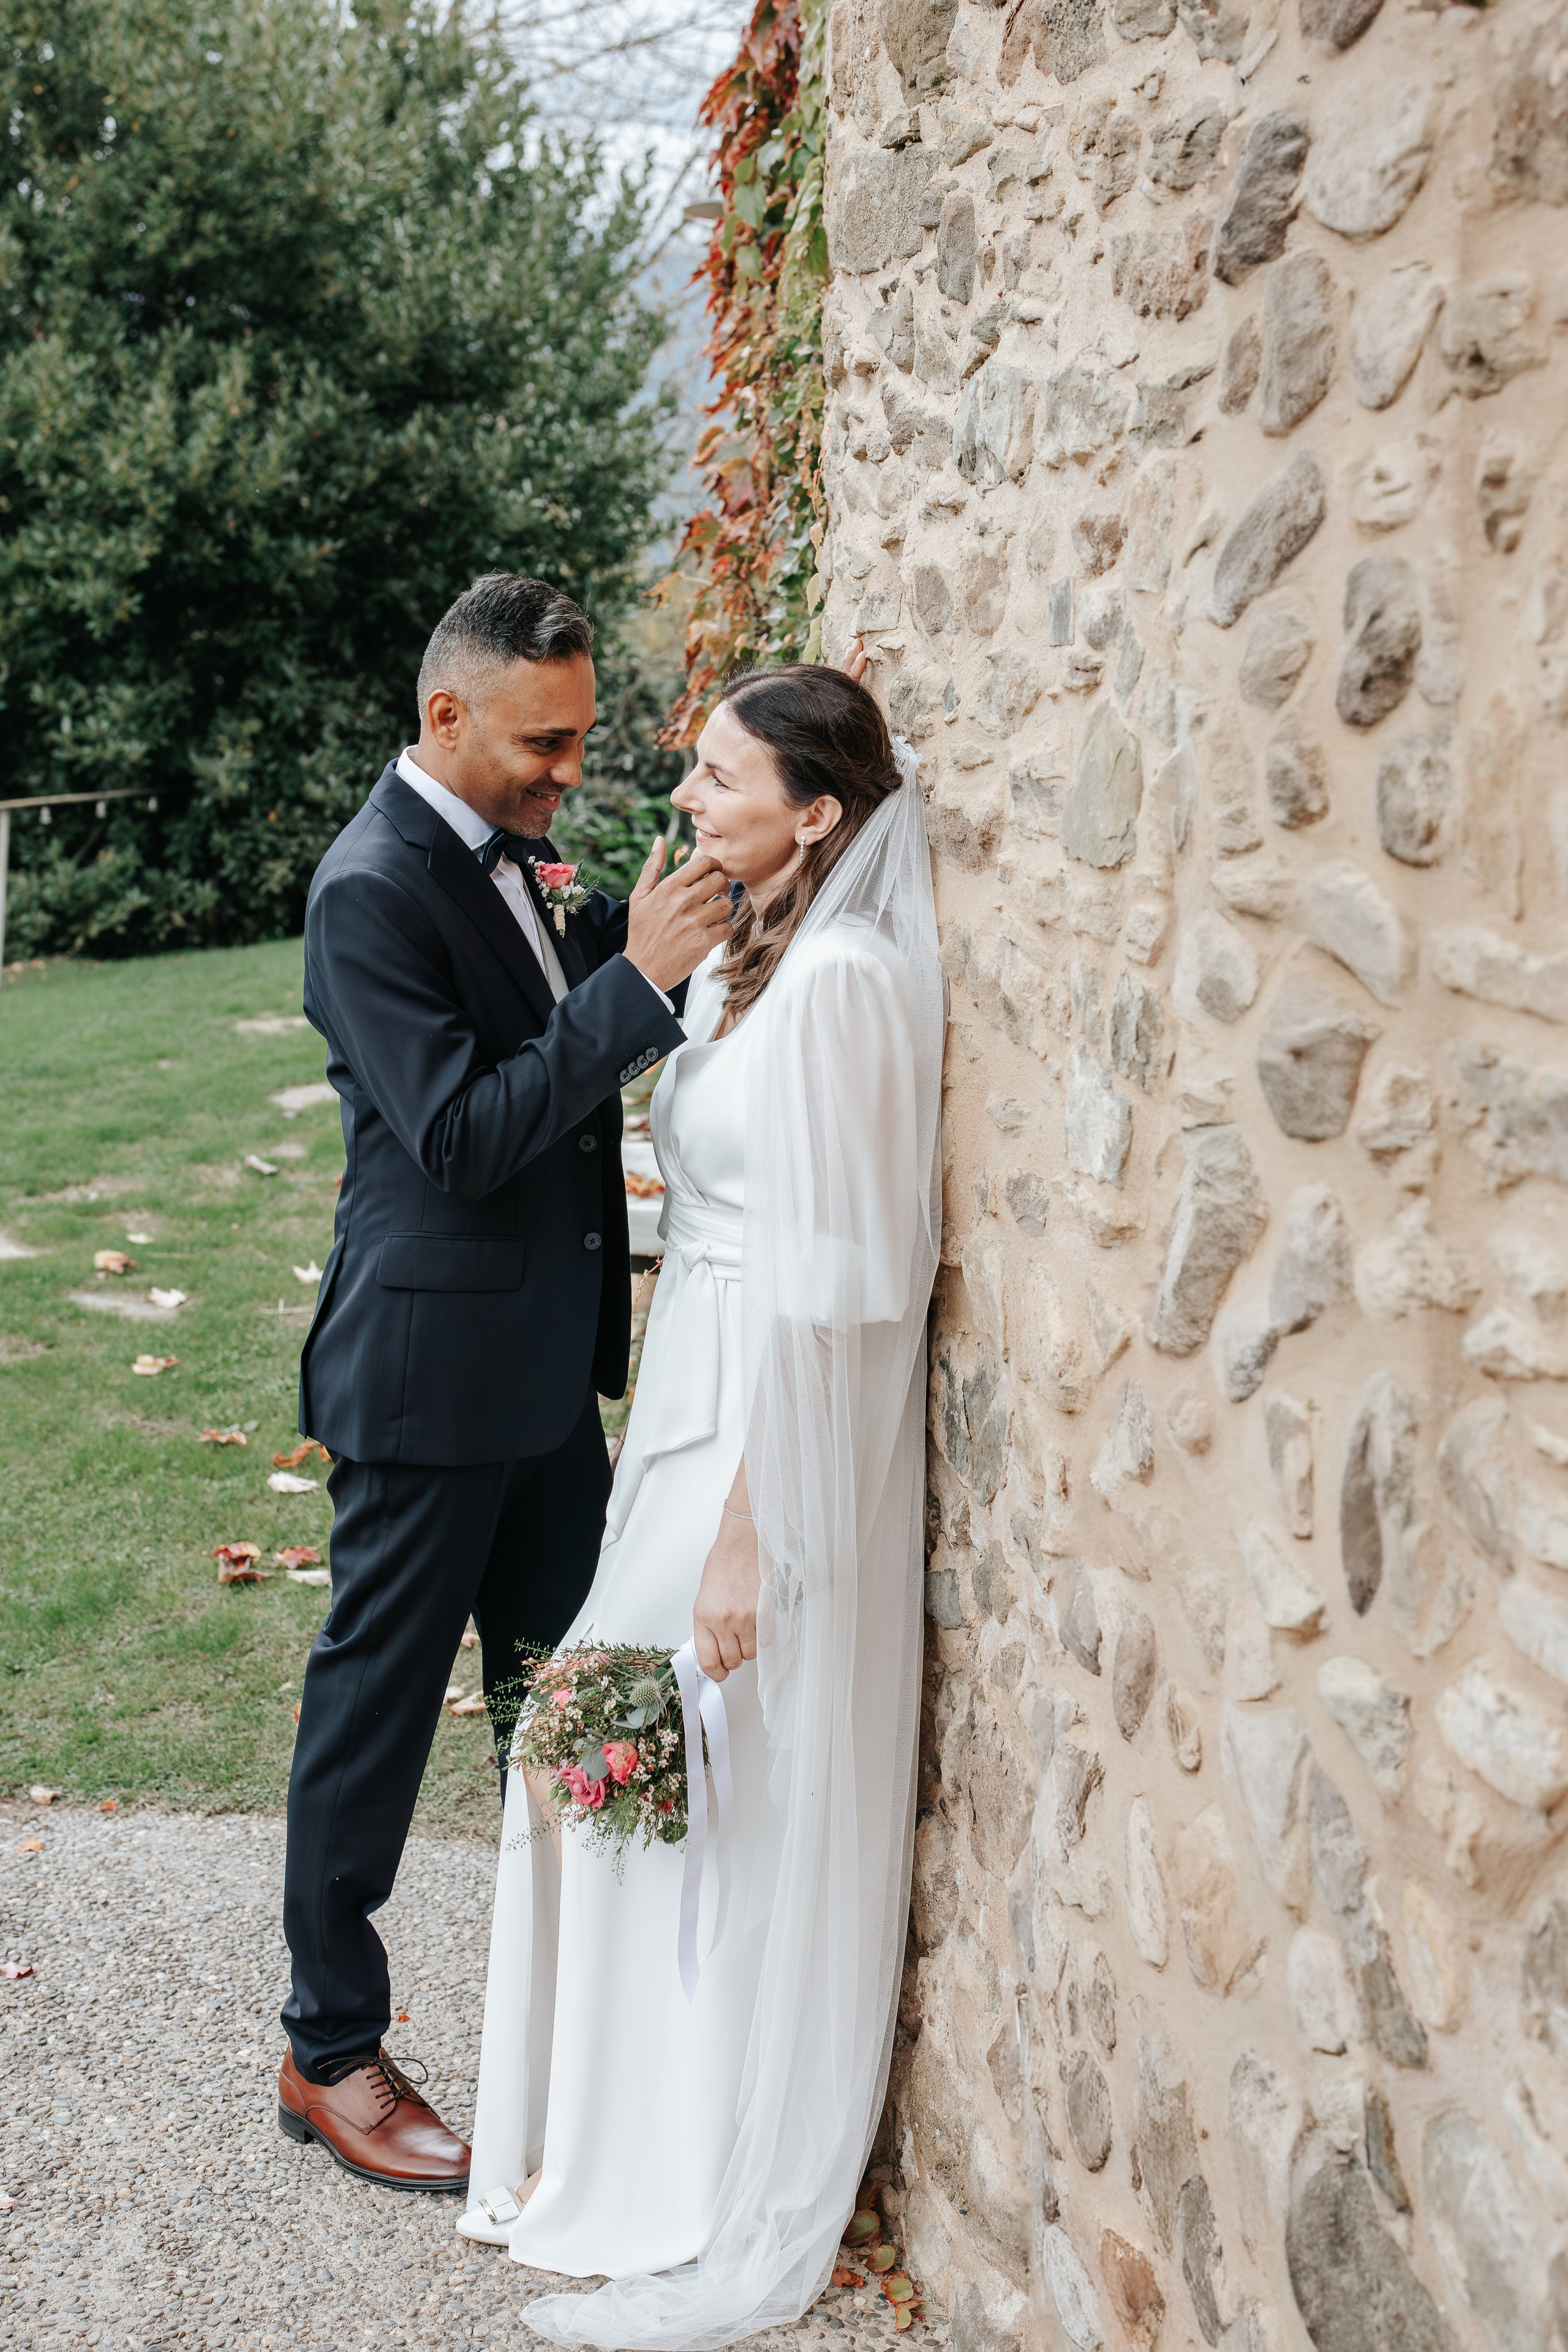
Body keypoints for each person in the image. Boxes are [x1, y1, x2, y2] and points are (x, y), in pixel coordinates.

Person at [462, 662, 943, 2348]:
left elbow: (844, 1286)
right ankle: (602, 2143)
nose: (685, 799)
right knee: (602, 1747)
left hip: (768, 1429)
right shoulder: (754, 967)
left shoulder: (851, 986)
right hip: (684, 1403)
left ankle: (692, 2167)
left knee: (704, 1766)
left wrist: (756, 1526)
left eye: (722, 780)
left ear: (819, 814)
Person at [276, 573, 734, 2192]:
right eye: (543, 745)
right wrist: (634, 988)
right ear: (446, 717)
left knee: (596, 1694)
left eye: (583, 740)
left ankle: (621, 2013)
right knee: (374, 1722)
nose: (567, 775)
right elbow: (464, 1132)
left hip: (542, 1382)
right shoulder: (367, 890)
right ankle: (327, 2044)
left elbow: (559, 990)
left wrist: (653, 928)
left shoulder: (508, 854)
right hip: (421, 1380)